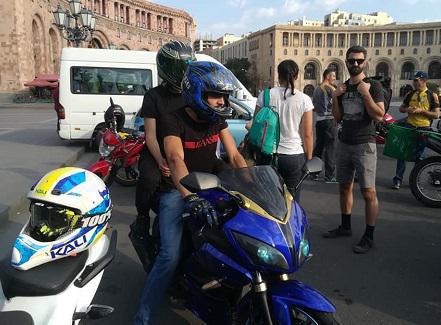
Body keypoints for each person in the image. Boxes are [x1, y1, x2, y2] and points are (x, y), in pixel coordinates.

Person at [134, 61, 247, 324]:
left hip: (213, 187)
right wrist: (190, 197)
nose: (221, 102)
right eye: (215, 95)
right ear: (197, 92)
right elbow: (175, 158)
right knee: (169, 256)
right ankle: (142, 317)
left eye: (223, 96)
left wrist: (250, 182)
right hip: (179, 190)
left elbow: (234, 155)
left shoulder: (217, 119)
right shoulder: (174, 120)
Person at [129, 41, 195, 268]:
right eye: (182, 67)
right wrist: (160, 160)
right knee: (149, 178)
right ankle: (142, 218)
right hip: (157, 150)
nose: (186, 72)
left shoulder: (191, 93)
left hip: (182, 149)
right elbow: (150, 135)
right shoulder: (153, 96)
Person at [325, 45, 385, 254]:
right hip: (344, 143)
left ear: (365, 62)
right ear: (346, 62)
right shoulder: (342, 88)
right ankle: (345, 226)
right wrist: (335, 97)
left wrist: (365, 94)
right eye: (352, 61)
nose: (355, 64)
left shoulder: (374, 85)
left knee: (368, 191)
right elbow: (338, 117)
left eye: (359, 61)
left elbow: (379, 115)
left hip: (365, 144)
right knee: (344, 187)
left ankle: (369, 235)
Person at [254, 59, 313, 202]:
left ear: (278, 75)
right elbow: (307, 134)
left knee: (268, 199)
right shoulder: (304, 99)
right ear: (296, 76)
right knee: (292, 201)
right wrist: (309, 159)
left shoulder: (265, 95)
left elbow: (257, 122)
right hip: (293, 156)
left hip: (267, 154)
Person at [391, 71, 440, 189]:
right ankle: (398, 180)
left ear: (424, 81)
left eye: (416, 80)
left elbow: (436, 115)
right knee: (402, 154)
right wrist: (408, 109)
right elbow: (401, 108)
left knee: (419, 156)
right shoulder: (410, 93)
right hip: (409, 126)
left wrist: (421, 111)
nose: (414, 83)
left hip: (424, 128)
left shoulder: (432, 95)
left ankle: (415, 181)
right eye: (414, 80)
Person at [312, 68, 338, 183]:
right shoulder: (330, 88)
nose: (334, 78)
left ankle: (314, 172)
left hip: (319, 120)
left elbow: (314, 105)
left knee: (319, 147)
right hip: (330, 120)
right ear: (327, 76)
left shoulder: (317, 88)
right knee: (330, 148)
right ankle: (329, 175)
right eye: (333, 76)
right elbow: (336, 104)